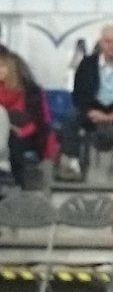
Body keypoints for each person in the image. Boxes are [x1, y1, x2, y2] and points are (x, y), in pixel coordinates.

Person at [56, 24, 113, 181]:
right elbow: (78, 95)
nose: (111, 45)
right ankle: (72, 164)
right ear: (100, 43)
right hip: (93, 113)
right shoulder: (87, 64)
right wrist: (90, 111)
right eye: (107, 41)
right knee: (72, 116)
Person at [0, 50, 56, 188]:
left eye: (2, 66)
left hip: (29, 136)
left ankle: (15, 183)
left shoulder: (32, 92)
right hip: (4, 133)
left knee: (13, 141)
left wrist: (20, 131)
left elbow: (40, 122)